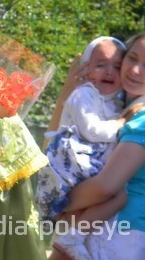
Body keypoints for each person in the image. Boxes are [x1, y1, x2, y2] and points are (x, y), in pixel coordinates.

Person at [47, 31, 145, 260]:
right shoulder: (109, 106)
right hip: (95, 228)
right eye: (132, 58)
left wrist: (55, 200)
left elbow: (105, 188)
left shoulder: (138, 121)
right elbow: (53, 146)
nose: (135, 70)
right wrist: (68, 95)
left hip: (123, 236)